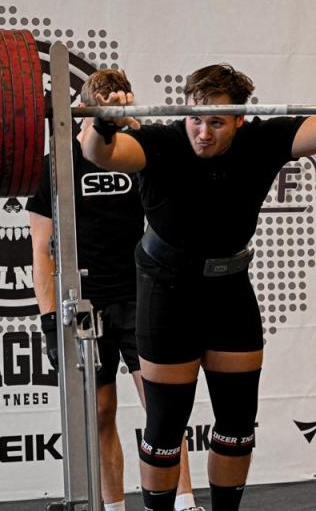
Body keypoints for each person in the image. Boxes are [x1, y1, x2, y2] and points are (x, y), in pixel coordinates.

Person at [80, 63, 316, 511]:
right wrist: (103, 125)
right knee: (165, 426)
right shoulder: (161, 141)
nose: (203, 132)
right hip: (167, 292)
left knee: (238, 426)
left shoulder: (262, 140)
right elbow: (102, 154)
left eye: (217, 123)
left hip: (228, 290)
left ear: (240, 119)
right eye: (196, 119)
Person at [28, 69, 202, 511]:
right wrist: (49, 321)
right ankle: (113, 506)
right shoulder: (56, 164)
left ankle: (183, 502)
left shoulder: (139, 155)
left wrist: (138, 130)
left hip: (143, 295)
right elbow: (41, 250)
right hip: (87, 303)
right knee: (101, 412)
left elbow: (173, 215)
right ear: (82, 113)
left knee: (162, 408)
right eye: (105, 114)